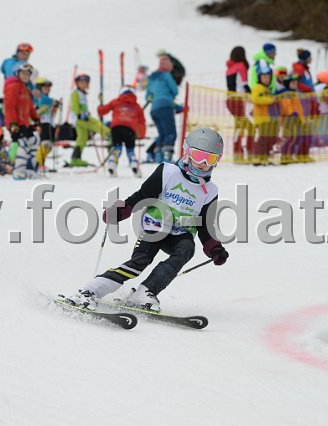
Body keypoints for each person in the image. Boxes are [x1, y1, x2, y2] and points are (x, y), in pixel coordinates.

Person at [67, 127, 229, 313]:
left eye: (210, 159)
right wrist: (122, 211)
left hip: (181, 232)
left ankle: (145, 292)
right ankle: (90, 291)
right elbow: (143, 195)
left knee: (187, 248)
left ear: (217, 161)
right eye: (198, 156)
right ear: (187, 152)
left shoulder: (211, 191)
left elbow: (205, 225)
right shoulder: (168, 172)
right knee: (141, 260)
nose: (202, 163)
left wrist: (214, 248)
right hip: (156, 225)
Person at [97, 85, 146, 177]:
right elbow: (141, 121)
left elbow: (102, 111)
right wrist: (141, 135)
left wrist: (100, 105)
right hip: (130, 129)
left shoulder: (116, 101)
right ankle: (134, 163)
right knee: (130, 149)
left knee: (117, 148)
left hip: (116, 128)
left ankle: (112, 162)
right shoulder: (136, 106)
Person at [4, 62, 41, 179]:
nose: (26, 76)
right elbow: (9, 107)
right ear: (17, 74)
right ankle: (18, 171)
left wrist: (36, 119)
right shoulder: (13, 86)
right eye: (23, 73)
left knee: (33, 142)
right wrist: (13, 124)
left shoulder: (25, 88)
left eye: (28, 74)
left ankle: (30, 170)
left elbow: (30, 106)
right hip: (16, 123)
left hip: (25, 123)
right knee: (21, 146)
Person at [69, 74, 110, 167]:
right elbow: (75, 106)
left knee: (82, 138)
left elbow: (83, 106)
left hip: (82, 118)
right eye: (81, 83)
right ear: (77, 84)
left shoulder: (82, 93)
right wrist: (79, 114)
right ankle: (110, 140)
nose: (84, 85)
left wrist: (86, 112)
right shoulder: (76, 93)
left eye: (86, 83)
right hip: (81, 119)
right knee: (99, 127)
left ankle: (75, 158)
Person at [146, 55, 179, 163]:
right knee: (170, 133)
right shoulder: (166, 75)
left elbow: (147, 96)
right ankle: (167, 157)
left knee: (162, 133)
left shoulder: (152, 78)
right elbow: (175, 91)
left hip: (154, 109)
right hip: (165, 106)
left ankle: (158, 156)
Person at [225, 46, 254, 163]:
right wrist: (252, 96)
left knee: (239, 126)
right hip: (238, 99)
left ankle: (238, 153)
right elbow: (244, 84)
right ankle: (244, 153)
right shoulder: (241, 66)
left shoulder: (229, 68)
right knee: (246, 126)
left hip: (230, 99)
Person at [276, 74, 305, 164]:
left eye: (296, 83)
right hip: (289, 119)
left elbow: (298, 107)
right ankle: (285, 156)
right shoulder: (286, 94)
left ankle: (290, 155)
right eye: (293, 83)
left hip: (296, 118)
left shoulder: (293, 93)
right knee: (289, 138)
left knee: (296, 138)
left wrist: (301, 118)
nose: (295, 85)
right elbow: (286, 106)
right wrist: (292, 113)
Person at [251, 64, 276, 165]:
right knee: (262, 138)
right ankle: (257, 157)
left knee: (268, 138)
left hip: (267, 118)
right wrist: (270, 100)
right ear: (259, 78)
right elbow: (255, 99)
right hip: (260, 118)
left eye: (268, 77)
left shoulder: (267, 89)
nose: (266, 79)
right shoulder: (257, 88)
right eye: (264, 77)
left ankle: (265, 156)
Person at [33, 77, 60, 171]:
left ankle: (41, 163)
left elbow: (52, 112)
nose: (48, 89)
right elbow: (37, 111)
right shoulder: (39, 98)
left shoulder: (47, 99)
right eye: (45, 87)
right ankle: (38, 163)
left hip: (50, 123)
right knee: (45, 144)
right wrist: (53, 103)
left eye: (49, 87)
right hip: (43, 123)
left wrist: (55, 107)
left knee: (49, 145)